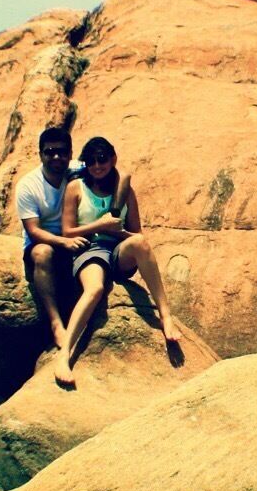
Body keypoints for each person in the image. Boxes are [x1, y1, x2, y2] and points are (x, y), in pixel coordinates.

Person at [53, 134, 181, 386]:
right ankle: (64, 354)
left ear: (112, 159)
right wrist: (99, 225)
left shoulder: (124, 189)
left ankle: (166, 316)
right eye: (90, 161)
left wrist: (117, 231)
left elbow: (137, 233)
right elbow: (67, 231)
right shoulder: (76, 188)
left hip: (118, 250)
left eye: (101, 159)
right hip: (89, 250)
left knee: (141, 244)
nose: (97, 166)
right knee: (95, 289)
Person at [15, 125, 82, 352]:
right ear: (40, 154)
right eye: (50, 151)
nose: (56, 157)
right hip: (42, 242)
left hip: (72, 235)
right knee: (43, 253)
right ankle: (56, 323)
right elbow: (33, 230)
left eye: (62, 152)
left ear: (71, 153)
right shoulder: (28, 185)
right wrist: (64, 242)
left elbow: (116, 174)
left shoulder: (78, 171)